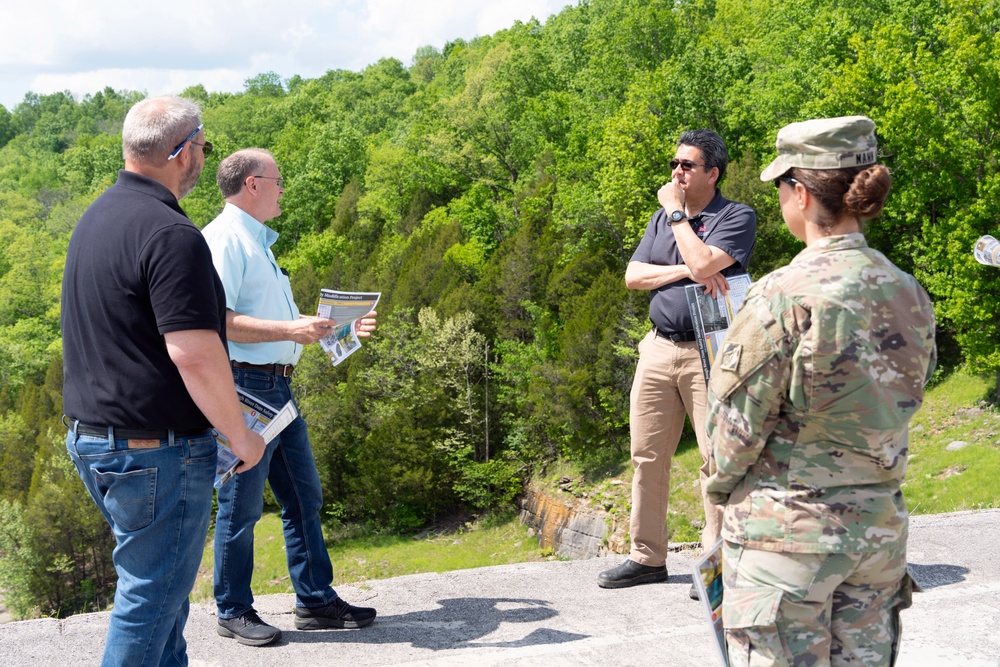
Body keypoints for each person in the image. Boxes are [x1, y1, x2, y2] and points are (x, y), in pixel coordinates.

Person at [705, 116, 936, 666]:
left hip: (786, 541)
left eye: (782, 187)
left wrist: (718, 492)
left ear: (801, 194)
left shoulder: (781, 295)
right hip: (876, 537)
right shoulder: (909, 292)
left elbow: (732, 440)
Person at [61, 96, 266, 666]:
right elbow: (194, 353)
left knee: (165, 600)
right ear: (181, 153)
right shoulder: (171, 234)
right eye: (203, 145)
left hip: (96, 439)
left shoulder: (97, 218)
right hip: (155, 451)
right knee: (150, 602)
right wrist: (240, 435)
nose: (204, 155)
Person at [202, 148, 378, 646]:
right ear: (252, 184)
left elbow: (284, 329)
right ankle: (233, 609)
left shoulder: (258, 244)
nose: (283, 189)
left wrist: (339, 331)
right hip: (245, 389)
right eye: (279, 181)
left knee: (304, 498)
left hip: (278, 386)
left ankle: (315, 601)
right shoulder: (224, 240)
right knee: (241, 505)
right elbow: (219, 320)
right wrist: (291, 328)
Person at [598, 129, 757, 593]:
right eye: (675, 163)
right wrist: (691, 268)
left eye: (687, 165)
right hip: (658, 347)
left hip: (712, 351)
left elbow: (708, 262)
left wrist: (679, 221)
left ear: (713, 172)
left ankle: (716, 565)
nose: (676, 172)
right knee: (646, 455)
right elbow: (633, 276)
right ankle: (647, 558)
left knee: (716, 459)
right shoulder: (661, 219)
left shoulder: (737, 215)